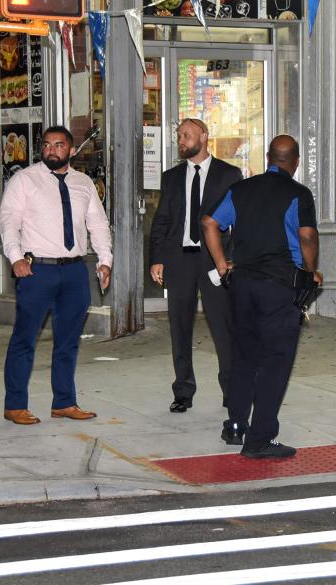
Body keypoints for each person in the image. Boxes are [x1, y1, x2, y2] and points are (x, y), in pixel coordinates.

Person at [202, 135, 321, 458]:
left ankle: (236, 425)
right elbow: (307, 236)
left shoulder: (242, 189)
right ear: (295, 161)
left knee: (243, 355)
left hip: (241, 284)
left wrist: (222, 264)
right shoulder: (298, 193)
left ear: (269, 157)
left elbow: (210, 222)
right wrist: (311, 272)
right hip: (279, 286)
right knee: (275, 361)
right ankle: (261, 438)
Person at [0, 126, 112, 425]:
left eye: (59, 145)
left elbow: (98, 225)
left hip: (75, 270)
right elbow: (9, 221)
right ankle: (14, 405)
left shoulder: (84, 183)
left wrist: (105, 261)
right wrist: (15, 258)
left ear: (71, 150)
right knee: (25, 337)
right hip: (37, 270)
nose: (52, 150)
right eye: (47, 145)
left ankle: (64, 401)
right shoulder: (24, 180)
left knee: (69, 340)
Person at [149, 118, 243, 413]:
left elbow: (239, 222)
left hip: (213, 262)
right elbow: (162, 220)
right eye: (178, 135)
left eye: (186, 135)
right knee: (179, 328)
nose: (181, 140)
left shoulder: (229, 174)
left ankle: (231, 391)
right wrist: (157, 258)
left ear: (204, 136)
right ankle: (183, 391)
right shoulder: (171, 177)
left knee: (223, 327)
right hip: (179, 261)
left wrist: (231, 261)